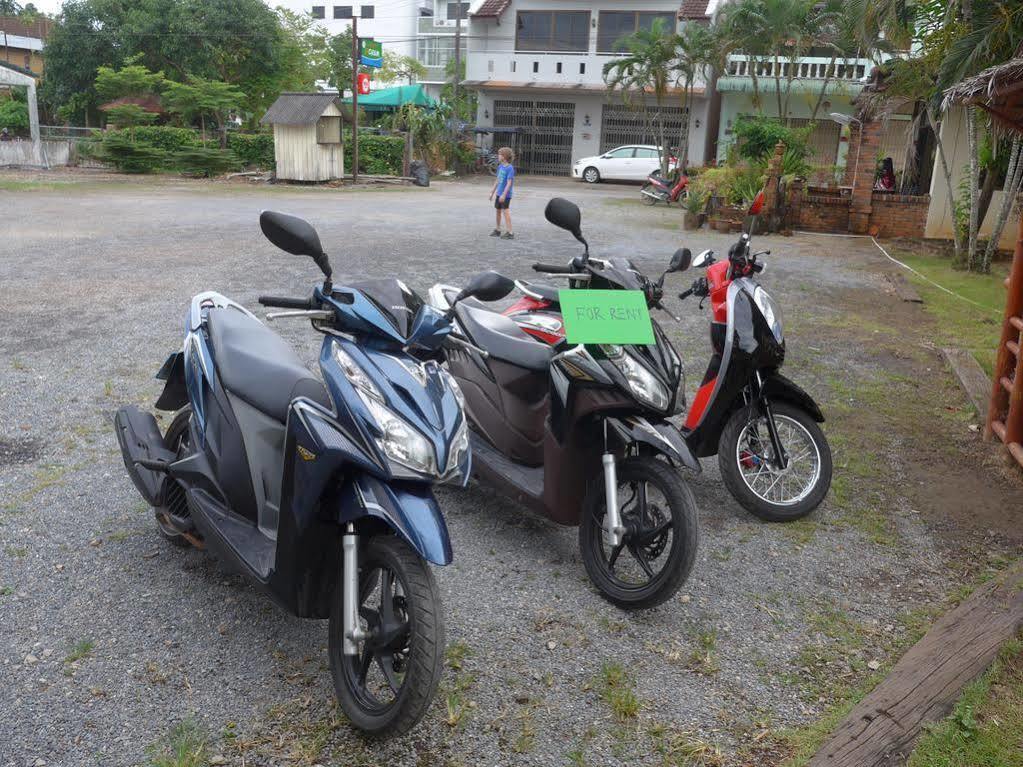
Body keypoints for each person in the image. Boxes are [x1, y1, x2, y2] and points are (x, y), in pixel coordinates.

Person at [489, 147, 515, 239]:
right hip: (499, 194)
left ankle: (510, 232)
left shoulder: (510, 168)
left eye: (499, 154)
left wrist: (504, 194)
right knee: (498, 211)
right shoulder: (500, 167)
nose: (498, 156)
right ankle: (498, 230)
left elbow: (509, 183)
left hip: (506, 195)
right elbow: (498, 180)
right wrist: (492, 192)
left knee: (506, 212)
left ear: (504, 156)